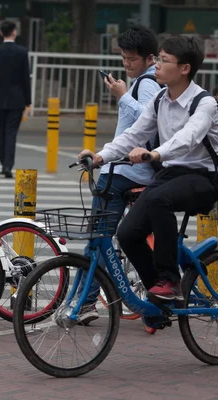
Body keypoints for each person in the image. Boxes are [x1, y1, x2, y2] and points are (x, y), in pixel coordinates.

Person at [80, 34, 218, 303]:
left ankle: (170, 280)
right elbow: (133, 134)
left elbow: (188, 137)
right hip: (170, 175)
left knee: (157, 199)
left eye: (165, 60)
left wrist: (154, 153)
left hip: (203, 178)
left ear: (184, 68)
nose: (157, 65)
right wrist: (100, 156)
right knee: (127, 234)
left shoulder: (205, 103)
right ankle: (158, 296)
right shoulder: (160, 100)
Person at [76, 25, 162, 324]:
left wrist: (123, 95)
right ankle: (86, 299)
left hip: (125, 174)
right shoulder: (144, 82)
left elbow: (149, 122)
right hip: (128, 170)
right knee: (108, 239)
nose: (126, 64)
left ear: (149, 58)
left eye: (132, 59)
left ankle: (84, 301)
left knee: (98, 239)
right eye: (123, 57)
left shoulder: (146, 84)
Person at [0, 20, 31, 179]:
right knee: (11, 133)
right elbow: (26, 78)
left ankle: (3, 162)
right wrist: (28, 100)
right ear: (13, 32)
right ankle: (7, 165)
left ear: (1, 33)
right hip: (17, 98)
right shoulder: (22, 52)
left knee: (2, 132)